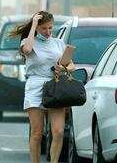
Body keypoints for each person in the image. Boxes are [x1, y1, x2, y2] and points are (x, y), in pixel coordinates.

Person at [10, 11, 75, 163]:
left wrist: (65, 69)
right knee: (37, 133)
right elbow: (26, 50)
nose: (48, 32)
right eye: (44, 28)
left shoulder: (58, 43)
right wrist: (33, 25)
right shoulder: (27, 42)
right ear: (37, 28)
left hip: (55, 86)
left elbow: (71, 65)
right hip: (35, 85)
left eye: (51, 28)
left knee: (58, 132)